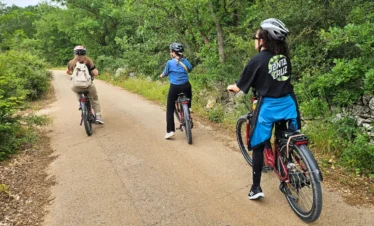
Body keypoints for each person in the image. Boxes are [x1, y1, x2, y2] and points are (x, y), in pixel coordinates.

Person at [227, 18, 301, 200]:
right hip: (289, 106)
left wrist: (232, 87)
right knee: (286, 138)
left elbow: (240, 86)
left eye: (256, 36)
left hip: (268, 108)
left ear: (263, 40)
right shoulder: (284, 59)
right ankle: (289, 168)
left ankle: (256, 187)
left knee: (258, 146)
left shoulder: (257, 60)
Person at [160, 42, 192, 139]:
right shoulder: (185, 61)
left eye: (171, 51)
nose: (170, 53)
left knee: (170, 108)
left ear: (174, 53)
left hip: (175, 88)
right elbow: (190, 69)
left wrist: (162, 75)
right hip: (186, 86)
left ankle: (170, 131)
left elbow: (165, 73)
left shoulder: (169, 63)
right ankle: (189, 107)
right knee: (189, 90)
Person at [66, 45, 104, 124]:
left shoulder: (71, 62)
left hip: (76, 86)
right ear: (85, 53)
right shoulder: (88, 61)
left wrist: (73, 74)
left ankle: (80, 103)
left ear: (75, 53)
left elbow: (67, 72)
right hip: (88, 86)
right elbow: (96, 73)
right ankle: (98, 116)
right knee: (94, 98)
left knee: (77, 91)